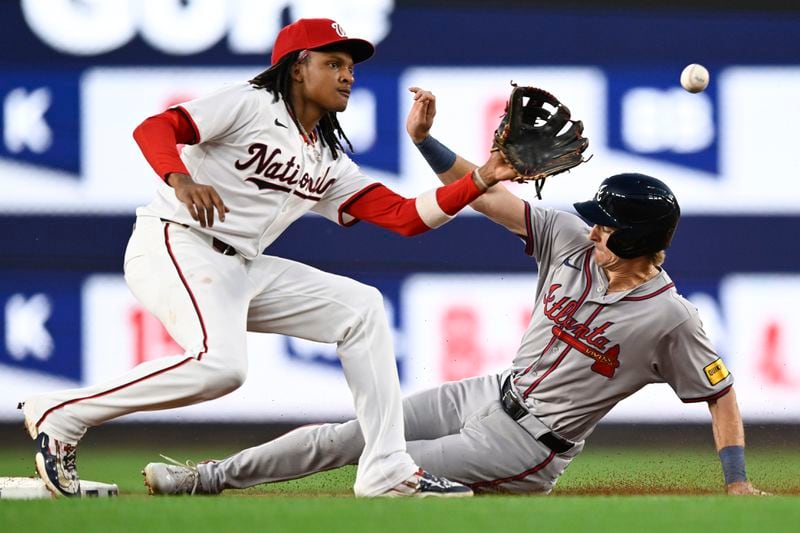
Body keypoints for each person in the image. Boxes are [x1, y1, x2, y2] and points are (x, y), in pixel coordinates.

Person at [140, 87, 768, 496]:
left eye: (607, 222)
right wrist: (423, 142)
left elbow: (721, 392)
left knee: (388, 473)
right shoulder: (573, 239)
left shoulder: (670, 317)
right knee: (348, 436)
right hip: (488, 393)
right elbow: (488, 195)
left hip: (528, 445)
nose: (593, 224)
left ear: (637, 237)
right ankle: (204, 479)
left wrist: (736, 483)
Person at [18, 20, 520, 499]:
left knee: (361, 308)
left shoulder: (325, 156)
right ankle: (63, 412)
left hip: (241, 266)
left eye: (351, 66)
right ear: (299, 67)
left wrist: (480, 179)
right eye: (335, 62)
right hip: (176, 241)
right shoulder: (251, 103)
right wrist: (181, 179)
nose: (348, 75)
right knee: (222, 367)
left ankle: (387, 466)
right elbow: (156, 127)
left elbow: (405, 216)